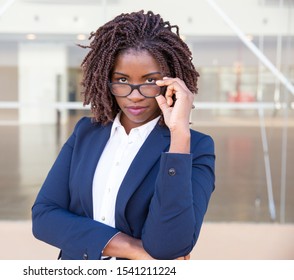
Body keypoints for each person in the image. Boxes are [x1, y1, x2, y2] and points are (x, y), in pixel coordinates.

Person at [31, 10, 215, 260]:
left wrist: (179, 136)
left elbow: (169, 246)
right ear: (105, 78)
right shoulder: (86, 132)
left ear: (172, 81)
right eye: (122, 80)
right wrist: (132, 249)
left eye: (150, 80)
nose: (135, 95)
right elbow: (44, 217)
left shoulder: (196, 147)